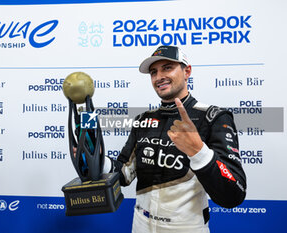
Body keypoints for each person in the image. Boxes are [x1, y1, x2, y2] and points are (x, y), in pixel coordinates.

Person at [103, 45, 247, 233]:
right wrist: (97, 159)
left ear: (187, 71)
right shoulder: (143, 120)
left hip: (186, 227)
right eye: (153, 72)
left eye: (167, 68)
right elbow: (124, 174)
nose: (159, 76)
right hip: (140, 224)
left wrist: (199, 152)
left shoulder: (213, 117)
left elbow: (233, 195)